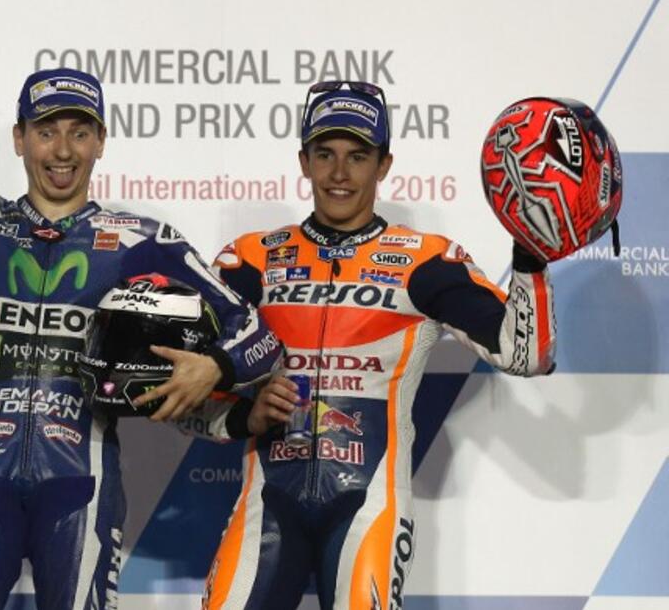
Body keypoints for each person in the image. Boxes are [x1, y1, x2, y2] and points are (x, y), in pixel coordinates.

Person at [0, 0, 282, 610]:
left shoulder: (142, 240)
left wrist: (214, 366)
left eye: (81, 132)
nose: (63, 150)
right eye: (48, 131)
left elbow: (260, 336)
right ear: (20, 138)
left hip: (81, 488)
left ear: (101, 143)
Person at [202, 81, 557, 610]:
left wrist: (530, 254)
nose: (339, 174)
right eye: (325, 154)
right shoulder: (251, 260)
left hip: (367, 507)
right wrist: (242, 418)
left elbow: (528, 355)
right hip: (267, 503)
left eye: (358, 156)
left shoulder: (425, 261)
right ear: (303, 161)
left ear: (384, 164)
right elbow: (188, 391)